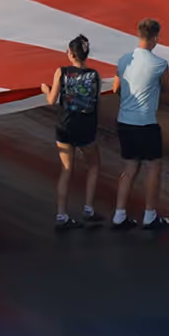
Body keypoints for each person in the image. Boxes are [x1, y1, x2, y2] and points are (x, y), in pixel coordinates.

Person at [108, 18, 169, 229]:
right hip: (146, 123)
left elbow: (116, 88)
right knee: (154, 167)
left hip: (125, 121)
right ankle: (150, 215)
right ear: (155, 38)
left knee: (130, 167)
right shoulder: (161, 64)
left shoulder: (123, 60)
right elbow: (167, 88)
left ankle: (119, 214)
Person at [40, 35, 103, 229]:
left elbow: (51, 100)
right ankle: (88, 208)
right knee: (93, 165)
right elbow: (96, 101)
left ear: (72, 54)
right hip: (86, 127)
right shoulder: (95, 74)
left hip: (65, 125)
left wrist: (45, 90)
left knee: (66, 169)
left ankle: (61, 214)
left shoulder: (62, 72)